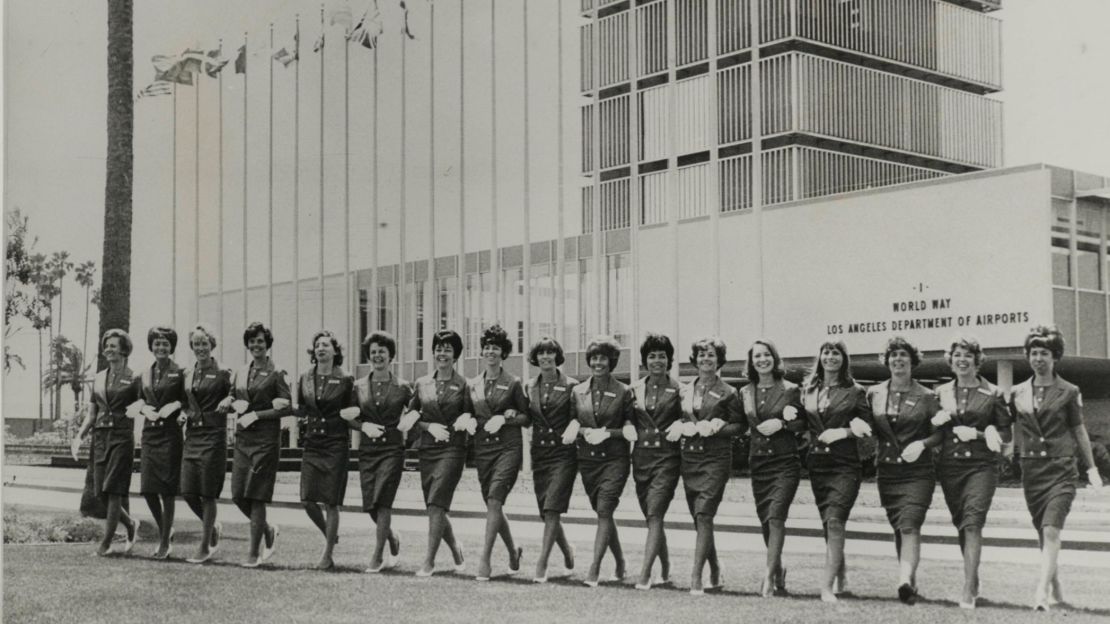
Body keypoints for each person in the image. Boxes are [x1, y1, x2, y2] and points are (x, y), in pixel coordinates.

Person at [1010, 325, 1104, 611]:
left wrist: (1092, 469)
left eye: (1045, 353)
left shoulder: (1068, 391)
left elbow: (1079, 431)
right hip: (1032, 471)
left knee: (1051, 529)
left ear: (1055, 358)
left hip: (1061, 470)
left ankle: (1040, 592)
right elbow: (1010, 431)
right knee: (1043, 530)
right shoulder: (1017, 392)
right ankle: (1056, 588)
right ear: (1028, 356)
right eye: (1034, 352)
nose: (1039, 358)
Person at [933, 336, 1011, 609]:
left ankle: (967, 590)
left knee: (973, 521)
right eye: (957, 356)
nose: (962, 360)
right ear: (951, 360)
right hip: (950, 467)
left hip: (981, 467)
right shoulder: (940, 392)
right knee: (961, 524)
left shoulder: (994, 393)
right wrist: (936, 422)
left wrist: (979, 433)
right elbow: (933, 432)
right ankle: (972, 578)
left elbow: (1005, 433)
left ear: (977, 361)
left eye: (968, 356)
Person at [866, 336, 941, 605]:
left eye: (903, 355)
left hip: (917, 472)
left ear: (913, 361)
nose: (898, 360)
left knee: (910, 524)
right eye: (893, 355)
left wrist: (923, 444)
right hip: (887, 471)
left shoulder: (928, 396)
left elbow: (939, 434)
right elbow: (870, 426)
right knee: (899, 527)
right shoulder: (874, 393)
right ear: (887, 361)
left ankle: (903, 580)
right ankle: (909, 581)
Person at [800, 340, 872, 602]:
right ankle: (841, 576)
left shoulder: (855, 391)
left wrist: (844, 432)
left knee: (834, 520)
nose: (830, 357)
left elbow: (869, 427)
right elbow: (802, 421)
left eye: (836, 352)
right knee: (827, 523)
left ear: (844, 358)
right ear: (819, 356)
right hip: (818, 464)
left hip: (845, 465)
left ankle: (826, 586)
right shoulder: (808, 388)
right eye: (826, 352)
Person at [224, 322, 293, 568]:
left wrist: (258, 414)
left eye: (260, 341)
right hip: (243, 439)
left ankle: (253, 552)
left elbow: (287, 404)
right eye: (252, 341)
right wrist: (231, 402)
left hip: (265, 440)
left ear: (267, 344)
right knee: (237, 495)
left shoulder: (278, 371)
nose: (256, 345)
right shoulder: (241, 372)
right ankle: (268, 529)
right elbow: (234, 394)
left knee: (256, 496)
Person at [679, 337, 745, 595]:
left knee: (705, 513)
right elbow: (678, 419)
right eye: (702, 354)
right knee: (699, 517)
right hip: (690, 459)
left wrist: (717, 428)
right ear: (694, 359)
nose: (706, 359)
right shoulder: (684, 390)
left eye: (711, 355)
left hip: (715, 459)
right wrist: (680, 426)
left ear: (719, 360)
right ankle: (715, 567)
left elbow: (740, 426)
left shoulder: (729, 392)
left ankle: (696, 577)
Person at [404, 329, 472, 577]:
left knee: (436, 503)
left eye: (448, 349)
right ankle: (455, 547)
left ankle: (429, 562)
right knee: (436, 507)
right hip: (428, 450)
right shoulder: (422, 383)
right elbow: (411, 417)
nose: (442, 353)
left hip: (453, 449)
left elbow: (470, 414)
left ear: (456, 355)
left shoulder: (464, 384)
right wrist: (427, 425)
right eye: (439, 348)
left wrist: (465, 419)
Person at [740, 339, 805, 597]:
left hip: (784, 462)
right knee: (766, 520)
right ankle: (778, 568)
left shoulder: (790, 389)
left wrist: (784, 424)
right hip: (759, 463)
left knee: (776, 515)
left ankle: (767, 577)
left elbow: (804, 424)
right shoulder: (745, 391)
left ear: (774, 358)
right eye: (757, 356)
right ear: (751, 361)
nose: (762, 360)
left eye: (767, 355)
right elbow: (740, 421)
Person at [569, 335, 635, 587]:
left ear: (612, 361)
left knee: (605, 509)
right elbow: (572, 422)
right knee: (602, 512)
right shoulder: (577, 391)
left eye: (603, 358)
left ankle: (594, 569)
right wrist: (585, 432)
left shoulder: (623, 391)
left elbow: (629, 424)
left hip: (615, 460)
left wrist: (610, 432)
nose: (598, 363)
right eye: (594, 358)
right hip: (588, 461)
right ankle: (620, 562)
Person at [72, 329, 142, 556]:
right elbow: (92, 413)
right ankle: (131, 524)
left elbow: (144, 403)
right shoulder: (100, 377)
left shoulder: (134, 377)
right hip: (101, 437)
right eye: (107, 346)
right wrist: (79, 436)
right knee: (100, 491)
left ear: (124, 349)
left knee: (113, 491)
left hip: (122, 436)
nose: (109, 350)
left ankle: (106, 544)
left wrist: (139, 407)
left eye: (113, 345)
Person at [469, 324, 529, 581]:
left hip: (508, 448)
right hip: (483, 450)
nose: (491, 351)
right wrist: (466, 420)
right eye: (487, 347)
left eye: (496, 347)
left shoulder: (513, 382)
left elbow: (528, 418)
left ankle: (485, 560)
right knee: (493, 504)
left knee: (494, 500)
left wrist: (508, 419)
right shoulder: (473, 385)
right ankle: (514, 552)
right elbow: (466, 412)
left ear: (503, 353)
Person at [296, 330, 358, 570]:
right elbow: (301, 408)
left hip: (335, 443)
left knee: (331, 502)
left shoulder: (345, 378)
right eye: (317, 345)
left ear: (335, 351)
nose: (321, 348)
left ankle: (328, 553)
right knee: (307, 500)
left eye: (326, 345)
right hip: (312, 442)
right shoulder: (305, 377)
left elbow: (352, 411)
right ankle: (330, 534)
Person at [355, 331, 412, 573]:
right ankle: (391, 537)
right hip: (368, 450)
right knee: (371, 506)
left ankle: (377, 555)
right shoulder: (357, 386)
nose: (378, 356)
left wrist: (408, 432)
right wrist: (362, 426)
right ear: (369, 356)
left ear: (391, 356)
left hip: (392, 449)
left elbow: (419, 413)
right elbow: (348, 416)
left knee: (383, 501)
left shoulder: (402, 386)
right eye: (374, 352)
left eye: (382, 352)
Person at [630, 333, 682, 590]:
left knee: (655, 512)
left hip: (667, 459)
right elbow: (627, 418)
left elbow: (691, 415)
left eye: (662, 356)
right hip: (641, 459)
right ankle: (666, 566)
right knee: (651, 517)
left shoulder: (680, 389)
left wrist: (681, 423)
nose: (657, 360)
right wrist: (628, 426)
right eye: (652, 356)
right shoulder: (635, 388)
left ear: (669, 359)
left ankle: (645, 574)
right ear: (644, 360)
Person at [525, 336, 579, 583]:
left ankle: (542, 564)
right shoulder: (529, 386)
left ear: (557, 356)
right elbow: (527, 418)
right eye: (541, 352)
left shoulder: (572, 386)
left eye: (550, 352)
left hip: (563, 454)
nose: (546, 356)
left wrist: (575, 425)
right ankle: (568, 552)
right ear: (535, 358)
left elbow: (579, 416)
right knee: (545, 512)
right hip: (540, 454)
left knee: (552, 507)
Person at [179, 324, 232, 564]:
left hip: (214, 435)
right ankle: (213, 527)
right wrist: (182, 412)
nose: (200, 348)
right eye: (196, 344)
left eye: (204, 343)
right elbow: (183, 401)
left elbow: (238, 394)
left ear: (212, 345)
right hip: (193, 435)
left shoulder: (223, 372)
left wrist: (229, 399)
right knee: (188, 491)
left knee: (208, 493)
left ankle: (204, 546)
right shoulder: (187, 374)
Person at [137, 326, 186, 559]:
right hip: (150, 434)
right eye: (157, 343)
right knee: (147, 488)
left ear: (172, 347)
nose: (161, 348)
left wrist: (176, 405)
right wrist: (144, 408)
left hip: (170, 434)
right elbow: (137, 400)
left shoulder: (180, 372)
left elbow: (188, 399)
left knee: (167, 491)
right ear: (151, 346)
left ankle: (164, 542)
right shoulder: (145, 372)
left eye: (165, 344)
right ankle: (167, 529)